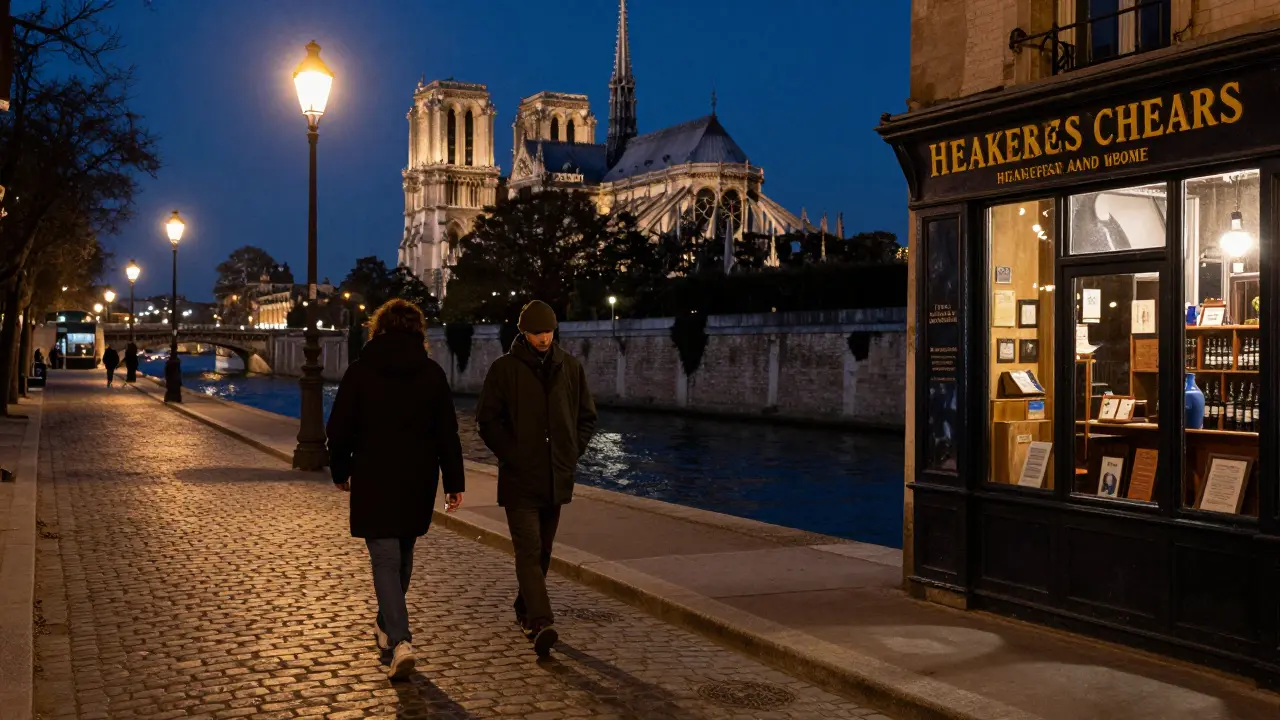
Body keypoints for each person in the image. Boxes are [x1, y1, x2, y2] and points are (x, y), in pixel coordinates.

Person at [326, 298, 465, 681]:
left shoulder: (360, 371)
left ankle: (399, 638)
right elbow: (447, 435)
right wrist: (454, 482)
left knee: (386, 558)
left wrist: (341, 469)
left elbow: (338, 429)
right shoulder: (432, 373)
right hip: (418, 478)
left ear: (378, 329)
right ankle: (388, 628)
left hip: (374, 476)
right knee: (402, 556)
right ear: (419, 332)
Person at [476, 300, 597, 658]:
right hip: (519, 480)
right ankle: (542, 622)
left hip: (556, 477)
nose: (544, 339)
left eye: (548, 332)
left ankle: (524, 606)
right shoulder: (504, 370)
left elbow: (586, 418)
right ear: (524, 333)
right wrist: (512, 456)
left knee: (543, 551)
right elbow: (487, 420)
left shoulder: (570, 368)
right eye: (537, 333)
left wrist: (570, 453)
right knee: (528, 550)